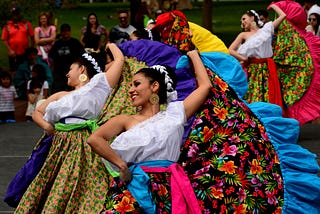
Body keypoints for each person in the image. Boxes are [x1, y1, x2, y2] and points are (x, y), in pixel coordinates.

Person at [87, 49, 212, 212]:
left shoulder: (175, 113)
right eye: (130, 85)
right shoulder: (125, 120)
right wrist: (121, 165)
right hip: (136, 185)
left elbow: (205, 86)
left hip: (169, 186)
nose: (131, 90)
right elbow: (94, 139)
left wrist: (193, 55)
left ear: (154, 86)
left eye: (136, 84)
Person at [13, 43, 124, 213]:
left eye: (71, 68)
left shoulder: (99, 86)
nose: (67, 73)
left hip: (82, 144)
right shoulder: (60, 95)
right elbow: (38, 112)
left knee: (78, 183)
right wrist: (47, 126)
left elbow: (119, 60)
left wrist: (109, 44)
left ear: (82, 69)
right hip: (58, 144)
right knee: (53, 183)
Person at [228, 5, 286, 109]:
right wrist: (243, 59)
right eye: (241, 21)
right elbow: (230, 50)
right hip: (253, 70)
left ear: (252, 18)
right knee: (253, 94)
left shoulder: (266, 30)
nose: (242, 22)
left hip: (267, 68)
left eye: (244, 19)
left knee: (268, 94)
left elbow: (282, 15)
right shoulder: (243, 35)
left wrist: (273, 6)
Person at [49, 23, 84, 93]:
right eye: (63, 31)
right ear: (61, 33)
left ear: (70, 32)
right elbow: (52, 57)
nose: (65, 33)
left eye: (67, 31)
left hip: (72, 70)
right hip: (59, 72)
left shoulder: (75, 42)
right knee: (58, 90)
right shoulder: (57, 44)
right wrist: (52, 70)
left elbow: (82, 56)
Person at [1, 7, 34, 73]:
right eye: (13, 14)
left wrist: (31, 48)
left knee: (25, 69)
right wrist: (10, 50)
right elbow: (4, 39)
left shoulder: (26, 24)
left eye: (17, 14)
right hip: (13, 53)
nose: (15, 16)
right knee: (14, 71)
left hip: (24, 52)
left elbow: (32, 36)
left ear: (19, 14)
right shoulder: (7, 25)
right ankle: (15, 82)